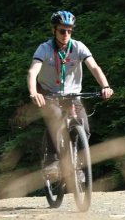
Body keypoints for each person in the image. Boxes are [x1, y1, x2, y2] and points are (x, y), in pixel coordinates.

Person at [27, 10, 114, 173]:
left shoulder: (78, 47)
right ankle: (52, 159)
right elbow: (33, 72)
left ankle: (78, 166)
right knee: (56, 117)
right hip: (48, 93)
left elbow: (94, 67)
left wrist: (105, 86)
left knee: (84, 127)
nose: (66, 34)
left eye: (69, 30)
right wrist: (33, 92)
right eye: (62, 30)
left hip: (72, 95)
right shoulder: (44, 49)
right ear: (54, 30)